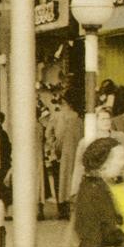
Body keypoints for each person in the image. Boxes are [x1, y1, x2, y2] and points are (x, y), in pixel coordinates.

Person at [69, 106, 124, 200]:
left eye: (108, 119)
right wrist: (75, 190)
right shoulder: (86, 141)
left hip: (117, 184)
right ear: (95, 122)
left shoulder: (121, 137)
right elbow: (79, 167)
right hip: (97, 187)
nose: (106, 122)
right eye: (102, 119)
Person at [49, 92, 83, 220]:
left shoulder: (59, 117)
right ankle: (73, 207)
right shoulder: (79, 120)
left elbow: (55, 136)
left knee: (61, 182)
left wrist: (55, 151)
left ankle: (63, 209)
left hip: (63, 155)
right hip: (77, 155)